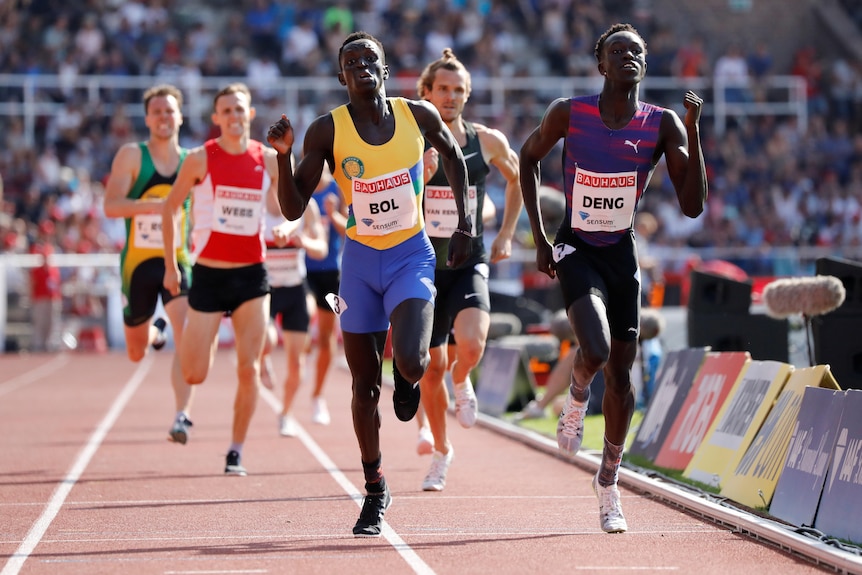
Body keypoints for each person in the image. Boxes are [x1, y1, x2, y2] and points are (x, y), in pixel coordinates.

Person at [266, 31, 472, 538]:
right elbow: (293, 208)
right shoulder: (326, 131)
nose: (361, 65)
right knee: (362, 386)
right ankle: (375, 489)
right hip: (357, 264)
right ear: (341, 75)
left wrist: (465, 224)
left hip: (410, 255)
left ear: (383, 68)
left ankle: (407, 380)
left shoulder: (417, 115)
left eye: (370, 59)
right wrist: (283, 156)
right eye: (351, 61)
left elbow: (456, 159)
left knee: (413, 361)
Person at [519, 23, 707, 534]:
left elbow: (692, 207)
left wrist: (692, 132)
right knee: (596, 351)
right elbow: (528, 158)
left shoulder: (662, 122)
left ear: (644, 65)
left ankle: (608, 481)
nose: (627, 56)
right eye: (617, 50)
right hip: (576, 246)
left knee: (622, 378)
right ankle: (577, 393)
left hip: (621, 254)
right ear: (600, 63)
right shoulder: (568, 112)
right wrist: (539, 237)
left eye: (636, 51)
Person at [413, 48, 523, 491]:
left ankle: (465, 379)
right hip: (421, 264)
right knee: (429, 369)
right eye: (443, 88)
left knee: (472, 345)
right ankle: (441, 452)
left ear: (468, 95)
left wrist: (507, 234)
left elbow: (519, 177)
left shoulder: (486, 141)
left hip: (469, 259)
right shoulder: (410, 140)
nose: (451, 96)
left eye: (459, 90)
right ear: (426, 92)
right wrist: (416, 174)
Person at [162, 82, 280, 476]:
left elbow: (283, 208)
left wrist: (286, 228)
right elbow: (170, 210)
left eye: (239, 109)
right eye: (225, 111)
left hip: (252, 277)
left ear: (250, 114)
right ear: (217, 118)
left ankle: (236, 450)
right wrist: (171, 263)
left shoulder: (268, 158)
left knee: (248, 369)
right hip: (209, 275)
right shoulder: (200, 159)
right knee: (196, 371)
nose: (233, 116)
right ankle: (201, 347)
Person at [103, 84, 195, 444]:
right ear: (147, 119)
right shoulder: (131, 156)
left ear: (180, 116)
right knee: (136, 351)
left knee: (187, 332)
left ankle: (182, 416)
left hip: (178, 260)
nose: (163, 117)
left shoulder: (193, 160)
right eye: (157, 112)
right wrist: (157, 207)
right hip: (138, 264)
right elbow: (112, 206)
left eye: (169, 111)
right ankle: (157, 331)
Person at [261, 191, 328, 437]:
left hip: (294, 287)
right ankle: (263, 358)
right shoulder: (257, 199)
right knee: (265, 339)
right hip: (265, 288)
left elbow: (321, 248)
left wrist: (302, 241)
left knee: (296, 362)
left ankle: (285, 413)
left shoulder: (304, 206)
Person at [304, 164, 348, 426]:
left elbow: (348, 232)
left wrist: (333, 215)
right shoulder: (301, 189)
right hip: (301, 270)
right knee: (305, 314)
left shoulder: (337, 188)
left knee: (327, 335)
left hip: (331, 273)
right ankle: (303, 345)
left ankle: (318, 396)